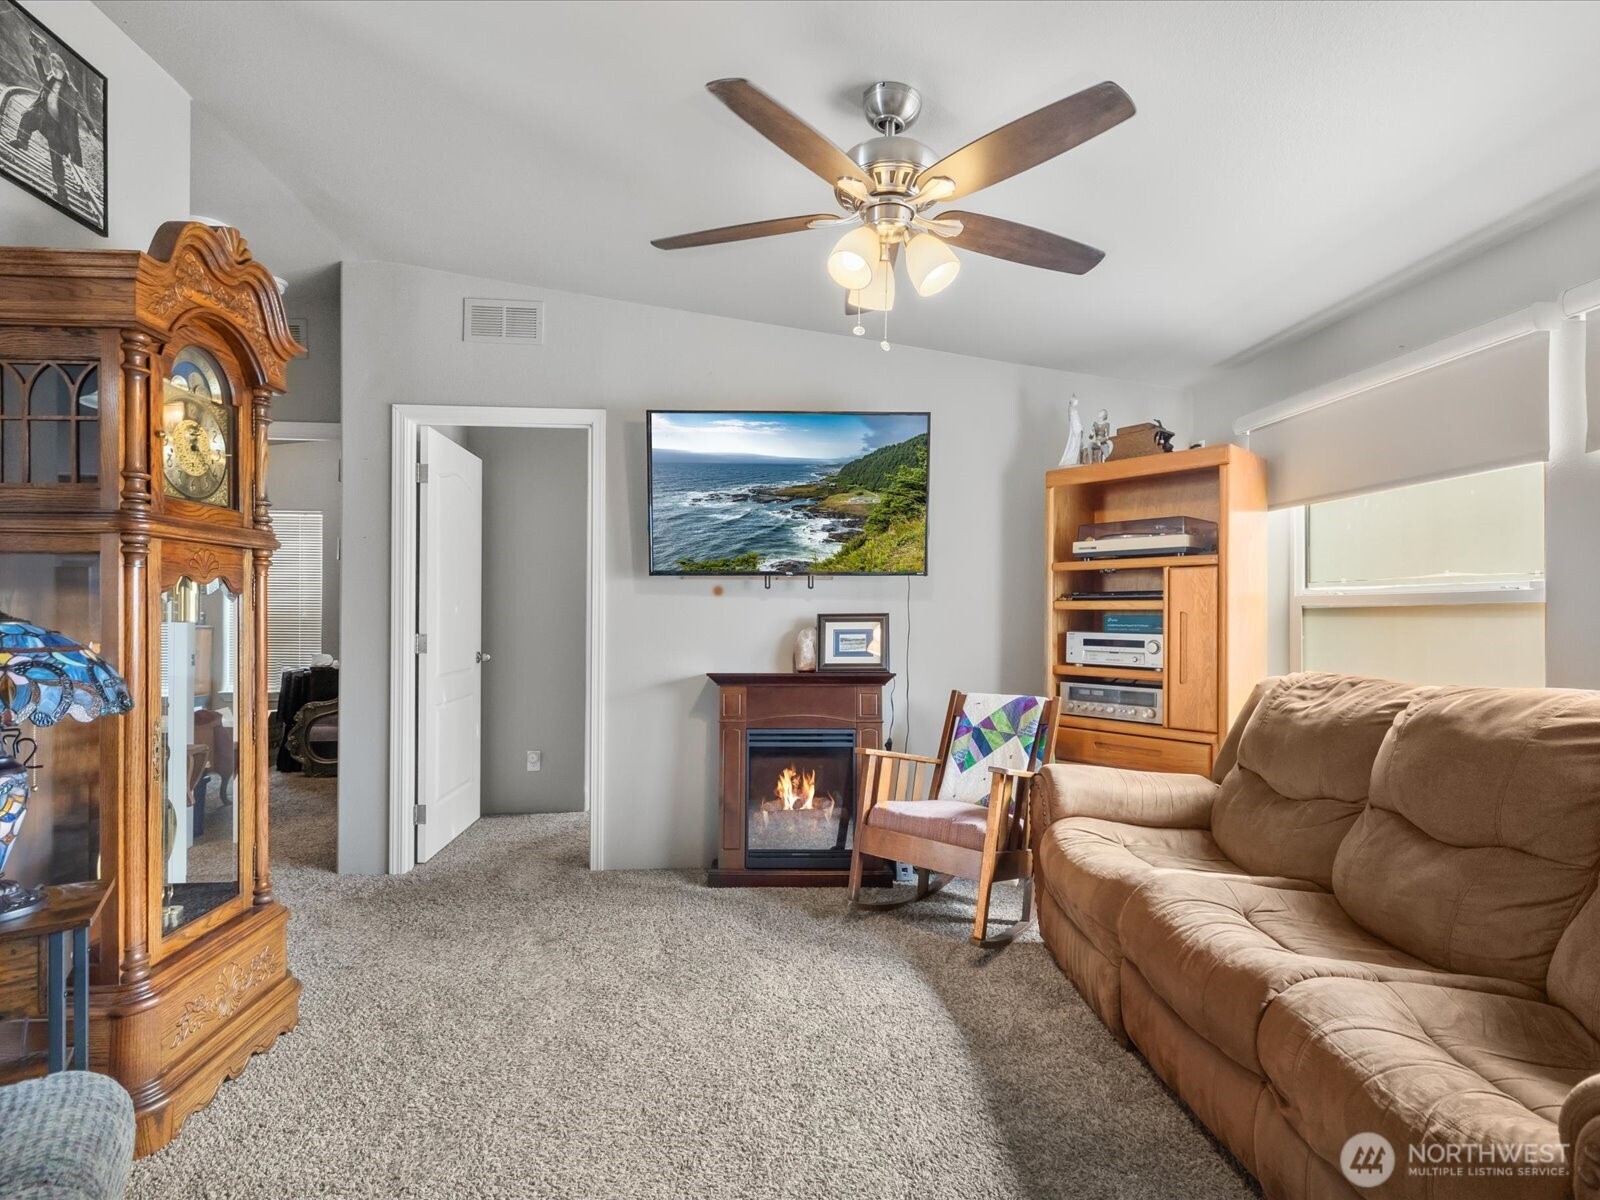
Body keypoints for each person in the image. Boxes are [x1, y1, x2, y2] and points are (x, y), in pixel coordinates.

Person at [10, 30, 85, 203]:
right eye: (52, 68)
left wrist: (91, 126)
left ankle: (62, 193)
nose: (54, 70)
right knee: (28, 115)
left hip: (58, 130)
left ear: (62, 69)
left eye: (56, 68)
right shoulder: (50, 78)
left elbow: (79, 106)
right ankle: (22, 140)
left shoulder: (70, 90)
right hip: (45, 119)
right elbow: (42, 78)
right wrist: (37, 56)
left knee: (56, 160)